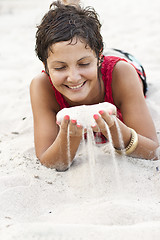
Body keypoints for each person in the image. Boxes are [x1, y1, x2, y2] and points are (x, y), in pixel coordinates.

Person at [30, 0, 159, 171]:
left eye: (83, 64)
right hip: (89, 55)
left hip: (123, 63)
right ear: (45, 66)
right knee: (77, 41)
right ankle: (71, 10)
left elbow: (152, 150)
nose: (74, 77)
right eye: (60, 67)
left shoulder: (122, 74)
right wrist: (71, 137)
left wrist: (113, 127)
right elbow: (48, 160)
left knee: (82, 40)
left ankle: (73, 11)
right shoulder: (42, 86)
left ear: (99, 57)